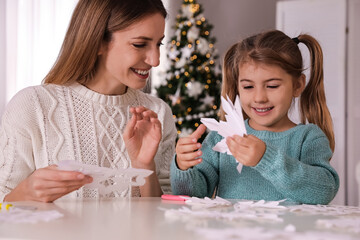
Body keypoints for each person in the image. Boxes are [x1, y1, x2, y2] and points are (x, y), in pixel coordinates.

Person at [0, 0, 177, 202]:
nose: (155, 60)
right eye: (139, 44)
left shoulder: (158, 112)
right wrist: (26, 193)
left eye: (159, 44)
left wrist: (145, 167)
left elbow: (165, 218)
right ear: (98, 42)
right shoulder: (33, 106)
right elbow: (3, 207)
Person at [171, 30, 339, 205]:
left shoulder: (308, 138)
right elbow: (193, 196)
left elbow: (324, 192)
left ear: (297, 85)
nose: (259, 98)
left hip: (289, 232)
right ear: (238, 87)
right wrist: (184, 166)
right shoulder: (221, 137)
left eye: (272, 86)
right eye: (248, 86)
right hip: (231, 231)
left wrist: (266, 158)